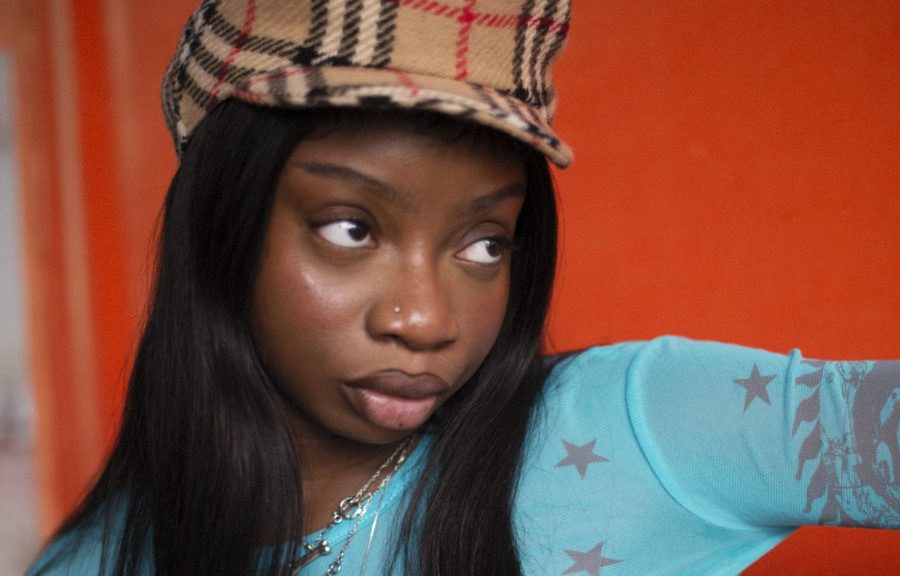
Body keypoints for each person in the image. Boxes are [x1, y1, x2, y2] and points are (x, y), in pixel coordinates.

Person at [27, 1, 898, 575]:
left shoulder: (634, 428)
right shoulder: (97, 559)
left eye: (484, 244)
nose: (426, 319)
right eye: (349, 229)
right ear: (222, 227)